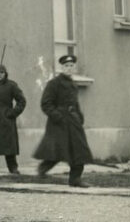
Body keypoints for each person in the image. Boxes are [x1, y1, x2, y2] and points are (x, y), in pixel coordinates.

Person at [33, 54, 93, 188]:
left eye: (71, 66)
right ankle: (43, 169)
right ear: (62, 67)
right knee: (57, 150)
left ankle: (75, 179)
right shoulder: (54, 83)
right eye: (66, 66)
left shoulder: (73, 84)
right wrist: (57, 116)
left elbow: (75, 103)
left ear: (74, 68)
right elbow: (46, 104)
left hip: (73, 121)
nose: (69, 68)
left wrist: (79, 117)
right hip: (58, 123)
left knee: (79, 150)